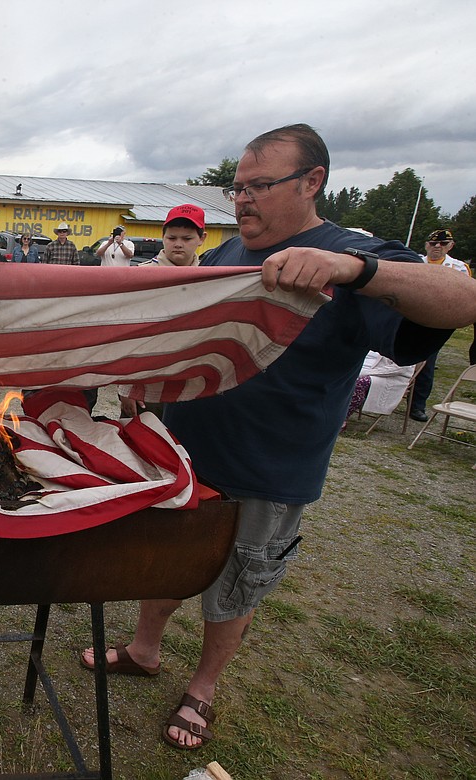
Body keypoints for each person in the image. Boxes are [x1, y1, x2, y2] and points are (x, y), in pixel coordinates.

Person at [80, 123, 476, 751]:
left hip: (270, 466)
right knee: (164, 561)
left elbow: (463, 299)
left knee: (238, 582)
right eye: (237, 187)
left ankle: (203, 688)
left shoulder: (352, 253)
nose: (242, 199)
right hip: (181, 454)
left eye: (260, 185)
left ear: (312, 181)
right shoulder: (226, 254)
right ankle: (144, 649)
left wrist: (355, 269)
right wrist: (146, 383)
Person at [118, 205, 208, 418]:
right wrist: (125, 387)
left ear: (202, 238)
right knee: (144, 443)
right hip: (147, 382)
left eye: (187, 239)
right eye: (172, 238)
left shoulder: (210, 279)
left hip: (192, 383)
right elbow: (123, 333)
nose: (178, 244)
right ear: (163, 237)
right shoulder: (141, 277)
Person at [409, 229, 471, 421]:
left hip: (436, 321)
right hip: (409, 316)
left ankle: (417, 406)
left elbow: (465, 296)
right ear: (426, 245)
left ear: (450, 246)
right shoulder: (414, 262)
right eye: (433, 243)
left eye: (443, 244)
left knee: (426, 364)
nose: (437, 247)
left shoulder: (459, 268)